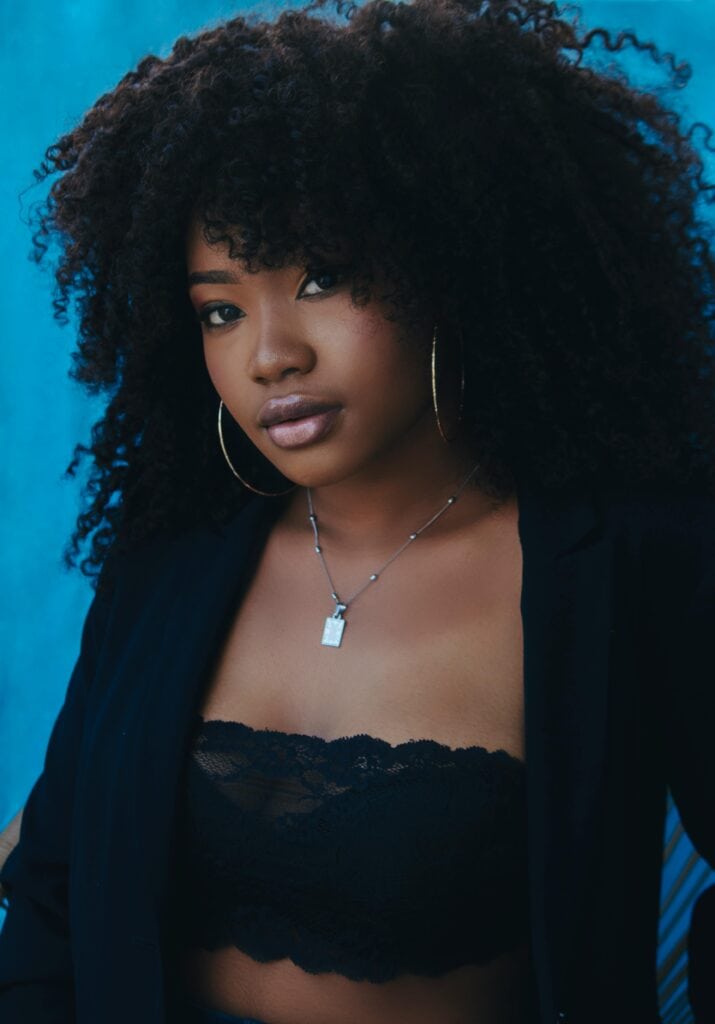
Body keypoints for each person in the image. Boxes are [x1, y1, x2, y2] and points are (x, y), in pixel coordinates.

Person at [0, 0, 714, 1021]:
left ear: (449, 268)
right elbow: (52, 905)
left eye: (324, 277)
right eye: (221, 307)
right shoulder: (170, 566)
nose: (270, 352)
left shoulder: (624, 560)